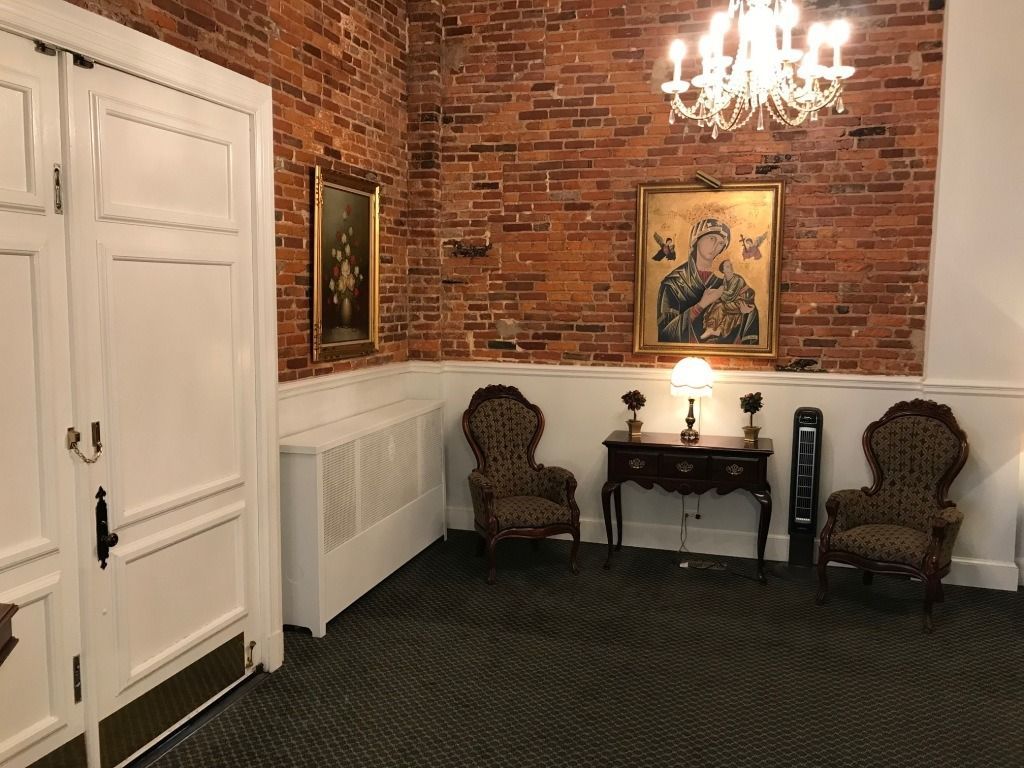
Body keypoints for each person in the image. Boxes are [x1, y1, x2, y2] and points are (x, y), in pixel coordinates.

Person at [656, 218, 759, 344]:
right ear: (697, 239)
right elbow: (666, 334)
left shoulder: (729, 280)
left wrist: (746, 313)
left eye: (721, 243)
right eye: (711, 238)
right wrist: (700, 306)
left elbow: (749, 312)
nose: (716, 246)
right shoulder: (673, 283)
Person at [699, 259, 756, 340]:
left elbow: (730, 295)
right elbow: (725, 295)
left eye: (731, 265)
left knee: (721, 306)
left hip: (742, 303)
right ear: (723, 270)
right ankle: (717, 330)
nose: (731, 267)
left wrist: (717, 292)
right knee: (715, 305)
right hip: (733, 302)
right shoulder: (725, 279)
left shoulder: (738, 280)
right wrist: (716, 292)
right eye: (728, 266)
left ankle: (710, 328)